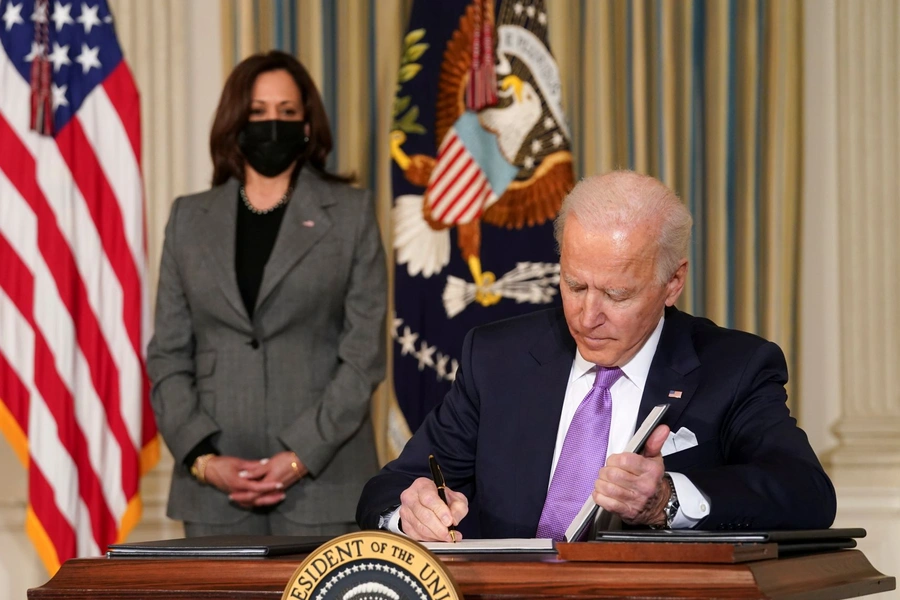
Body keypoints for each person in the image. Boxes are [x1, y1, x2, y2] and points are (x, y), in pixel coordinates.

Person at [356, 170, 835, 541]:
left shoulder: (733, 368)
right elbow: (393, 484)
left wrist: (667, 500)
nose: (587, 316)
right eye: (574, 285)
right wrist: (411, 512)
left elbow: (805, 492)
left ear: (673, 282)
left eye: (617, 295)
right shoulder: (498, 358)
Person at [148, 50, 386, 537]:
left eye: (286, 112)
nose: (271, 124)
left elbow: (363, 357)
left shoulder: (351, 214)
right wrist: (203, 460)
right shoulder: (189, 219)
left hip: (325, 485)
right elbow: (168, 356)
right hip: (214, 496)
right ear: (235, 121)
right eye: (257, 112)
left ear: (307, 124)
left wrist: (299, 456)